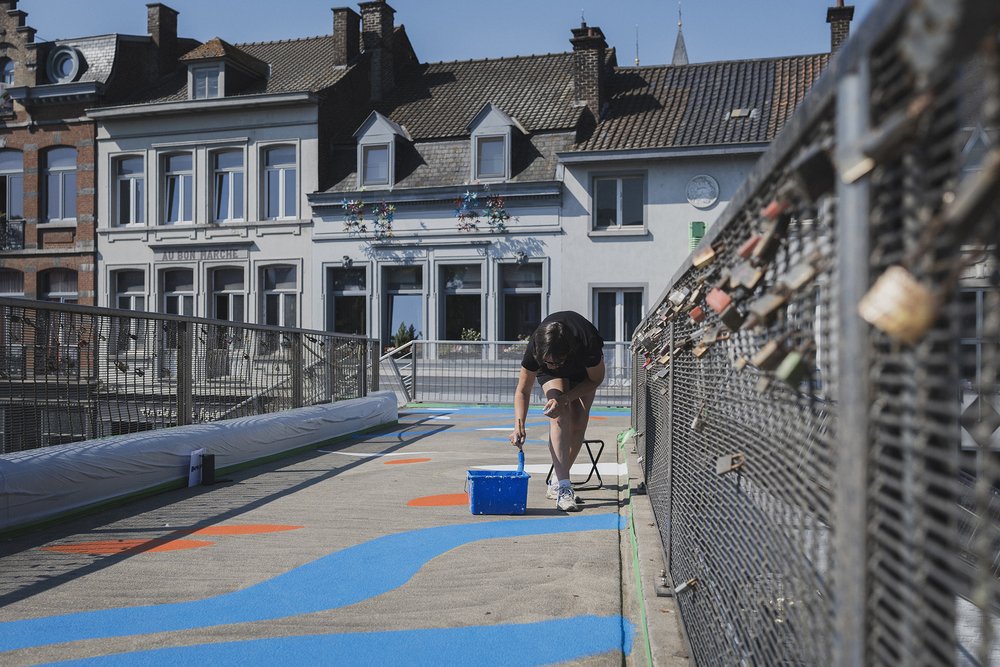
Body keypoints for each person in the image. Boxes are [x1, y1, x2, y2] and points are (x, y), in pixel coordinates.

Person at [509, 311, 605, 512]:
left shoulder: (588, 343)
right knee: (560, 414)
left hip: (583, 372)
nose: (552, 365)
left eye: (556, 362)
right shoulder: (536, 346)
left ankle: (557, 479)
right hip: (553, 373)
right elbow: (523, 390)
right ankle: (564, 486)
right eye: (547, 361)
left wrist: (567, 398)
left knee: (579, 420)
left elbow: (596, 379)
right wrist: (519, 425)